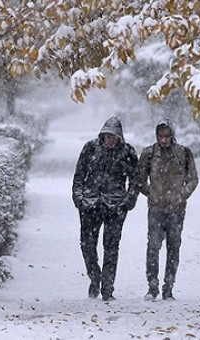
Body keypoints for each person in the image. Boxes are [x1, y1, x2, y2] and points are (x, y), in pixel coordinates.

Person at [72, 116, 140, 301]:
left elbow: (136, 180)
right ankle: (95, 277)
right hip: (90, 204)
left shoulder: (127, 152)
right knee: (87, 245)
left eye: (113, 137)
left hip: (115, 205)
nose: (110, 141)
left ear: (119, 137)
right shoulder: (90, 148)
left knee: (111, 247)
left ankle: (107, 288)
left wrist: (128, 201)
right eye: (107, 137)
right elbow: (79, 174)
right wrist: (79, 198)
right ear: (102, 136)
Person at [139, 117, 199, 301]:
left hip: (176, 210)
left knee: (173, 249)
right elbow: (139, 179)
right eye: (160, 136)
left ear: (172, 136)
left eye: (167, 136)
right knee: (153, 248)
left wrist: (182, 194)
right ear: (156, 136)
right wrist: (152, 193)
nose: (164, 139)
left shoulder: (183, 154)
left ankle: (169, 286)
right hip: (156, 209)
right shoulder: (149, 154)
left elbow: (193, 178)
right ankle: (152, 286)